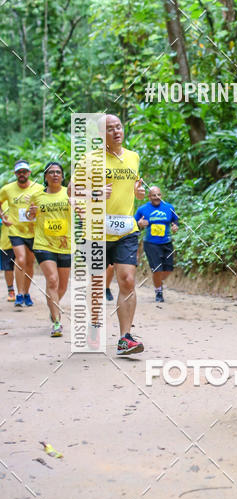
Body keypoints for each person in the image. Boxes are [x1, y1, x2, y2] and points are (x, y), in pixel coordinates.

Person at [69, 114, 145, 355]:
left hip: (126, 230)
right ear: (101, 135)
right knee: (97, 284)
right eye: (110, 129)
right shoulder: (89, 159)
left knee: (127, 281)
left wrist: (138, 191)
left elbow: (132, 188)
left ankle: (125, 338)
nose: (116, 132)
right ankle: (94, 324)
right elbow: (71, 191)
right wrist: (95, 192)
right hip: (96, 231)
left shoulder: (133, 157)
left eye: (119, 127)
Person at [27, 162, 71, 337]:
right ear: (45, 177)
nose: (55, 175)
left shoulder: (69, 194)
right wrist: (30, 213)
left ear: (62, 176)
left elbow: (82, 211)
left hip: (64, 244)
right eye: (51, 172)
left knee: (62, 286)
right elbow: (29, 216)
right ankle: (57, 321)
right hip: (43, 245)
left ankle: (53, 306)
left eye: (58, 172)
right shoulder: (37, 196)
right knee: (52, 280)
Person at [0, 160, 44, 309]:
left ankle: (26, 293)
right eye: (19, 172)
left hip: (33, 231)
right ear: (15, 174)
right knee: (21, 259)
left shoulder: (38, 188)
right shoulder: (7, 189)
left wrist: (35, 209)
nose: (22, 174)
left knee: (30, 263)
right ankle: (19, 293)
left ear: (29, 173)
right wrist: (3, 217)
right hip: (15, 230)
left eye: (24, 172)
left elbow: (45, 205)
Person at [134, 186, 179, 302]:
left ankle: (157, 280)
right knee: (157, 269)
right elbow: (134, 224)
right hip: (151, 243)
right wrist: (139, 223)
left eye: (158, 195)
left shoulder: (169, 207)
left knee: (168, 269)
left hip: (166, 242)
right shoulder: (142, 209)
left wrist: (175, 225)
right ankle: (158, 291)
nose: (156, 197)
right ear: (149, 197)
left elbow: (175, 219)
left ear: (161, 195)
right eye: (154, 195)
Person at [0, 202, 15, 301]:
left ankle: (23, 292)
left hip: (24, 238)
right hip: (6, 241)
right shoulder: (3, 203)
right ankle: (11, 291)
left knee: (22, 266)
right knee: (8, 267)